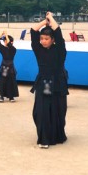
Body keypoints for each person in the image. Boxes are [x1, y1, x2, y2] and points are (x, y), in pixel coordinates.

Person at [30, 12, 68, 149]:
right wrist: (44, 23)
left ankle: (57, 135)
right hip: (43, 83)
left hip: (58, 83)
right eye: (42, 39)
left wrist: (51, 19)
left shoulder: (60, 51)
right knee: (41, 112)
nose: (43, 41)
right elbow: (33, 32)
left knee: (58, 111)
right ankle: (44, 138)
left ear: (53, 39)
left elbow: (59, 34)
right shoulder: (38, 49)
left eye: (46, 39)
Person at [0, 31, 19, 102]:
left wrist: (6, 35)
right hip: (3, 67)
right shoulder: (2, 48)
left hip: (11, 68)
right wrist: (1, 34)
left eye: (12, 42)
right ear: (4, 42)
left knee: (11, 82)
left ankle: (11, 97)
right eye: (9, 41)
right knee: (2, 82)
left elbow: (9, 44)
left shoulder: (13, 49)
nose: (11, 43)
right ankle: (1, 96)